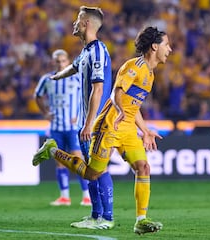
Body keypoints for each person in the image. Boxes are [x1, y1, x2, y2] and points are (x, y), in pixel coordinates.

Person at [33, 26, 172, 234]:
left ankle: (141, 220)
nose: (169, 49)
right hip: (108, 126)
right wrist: (119, 110)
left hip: (126, 130)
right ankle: (52, 149)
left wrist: (145, 130)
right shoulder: (133, 67)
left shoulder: (150, 75)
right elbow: (117, 93)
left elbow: (134, 106)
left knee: (143, 167)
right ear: (154, 46)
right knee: (92, 174)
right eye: (167, 44)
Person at [38, 6, 114, 229]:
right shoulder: (86, 52)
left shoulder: (99, 50)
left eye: (78, 19)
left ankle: (107, 218)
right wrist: (56, 76)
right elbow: (73, 68)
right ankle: (95, 215)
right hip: (86, 123)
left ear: (87, 24)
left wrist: (89, 123)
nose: (74, 23)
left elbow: (98, 90)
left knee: (99, 170)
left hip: (97, 123)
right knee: (90, 170)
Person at [34, 49, 91, 207]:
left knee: (78, 159)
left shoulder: (77, 77)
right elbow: (37, 96)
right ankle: (64, 197)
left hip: (73, 127)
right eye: (57, 61)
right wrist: (45, 112)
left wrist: (81, 114)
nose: (60, 64)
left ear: (68, 61)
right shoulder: (47, 79)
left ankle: (87, 196)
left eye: (63, 61)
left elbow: (88, 96)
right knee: (59, 161)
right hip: (56, 127)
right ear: (53, 62)